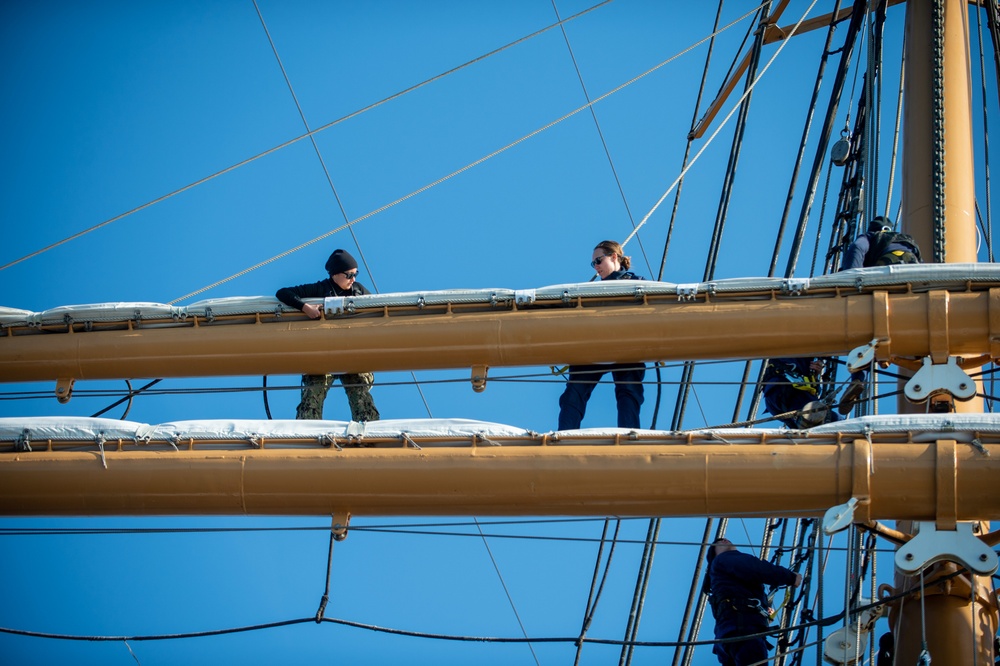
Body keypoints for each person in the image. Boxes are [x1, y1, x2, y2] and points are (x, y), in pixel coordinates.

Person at [276, 249, 381, 422]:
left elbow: (380, 307)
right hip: (323, 352)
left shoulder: (359, 291)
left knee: (361, 395)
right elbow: (283, 293)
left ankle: (368, 429)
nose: (353, 279)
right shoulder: (320, 289)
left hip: (352, 353)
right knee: (312, 396)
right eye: (349, 275)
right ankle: (307, 430)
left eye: (355, 274)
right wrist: (305, 308)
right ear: (335, 274)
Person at [557, 240, 646, 430]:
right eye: (593, 264)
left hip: (626, 345)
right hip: (594, 346)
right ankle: (565, 436)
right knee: (573, 394)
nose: (596, 267)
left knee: (628, 391)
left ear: (614, 257)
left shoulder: (637, 284)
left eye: (598, 260)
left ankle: (629, 435)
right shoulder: (589, 292)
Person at [838, 217, 923, 413]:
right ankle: (924, 359)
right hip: (912, 282)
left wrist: (848, 278)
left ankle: (858, 379)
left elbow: (857, 249)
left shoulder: (870, 236)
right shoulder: (907, 240)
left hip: (886, 279)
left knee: (864, 331)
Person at [703, 537, 802, 666]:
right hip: (743, 631)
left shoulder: (722, 583)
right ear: (714, 554)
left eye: (725, 539)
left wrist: (762, 614)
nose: (724, 540)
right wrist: (791, 577)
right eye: (717, 543)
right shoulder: (724, 559)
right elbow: (756, 568)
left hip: (729, 637)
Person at [761, 357, 840, 428]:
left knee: (806, 435)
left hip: (776, 397)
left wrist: (814, 375)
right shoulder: (800, 346)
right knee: (841, 425)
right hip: (788, 391)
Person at [841, 216, 921, 270]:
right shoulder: (906, 238)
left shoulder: (870, 235)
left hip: (888, 261)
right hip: (911, 261)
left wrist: (851, 276)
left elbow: (857, 246)